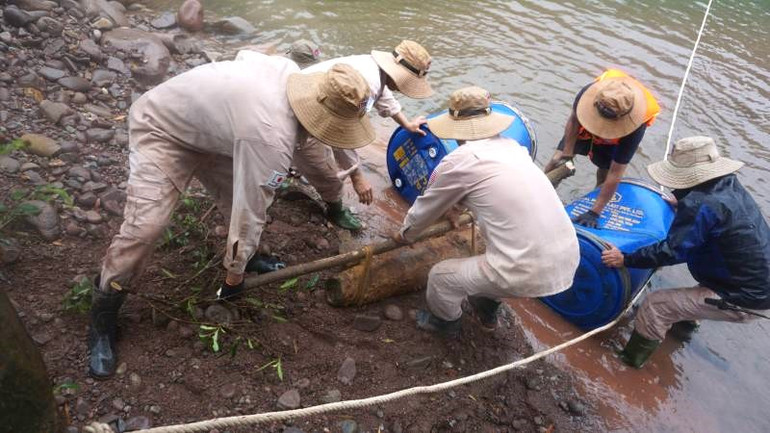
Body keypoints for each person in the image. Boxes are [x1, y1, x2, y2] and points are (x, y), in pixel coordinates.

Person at [88, 54, 374, 379]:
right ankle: (102, 315)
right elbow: (250, 212)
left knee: (238, 195)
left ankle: (244, 257)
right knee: (144, 230)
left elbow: (244, 56)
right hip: (162, 129)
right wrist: (233, 278)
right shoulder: (270, 139)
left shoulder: (291, 72)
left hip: (216, 133)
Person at [392, 86, 580, 336]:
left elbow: (425, 209)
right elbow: (488, 190)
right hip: (568, 257)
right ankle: (487, 310)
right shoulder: (514, 148)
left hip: (524, 269)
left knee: (440, 277)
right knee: (493, 255)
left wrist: (405, 234)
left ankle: (446, 324)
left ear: (455, 128)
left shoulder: (460, 160)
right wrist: (454, 207)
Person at [602, 136, 770, 368]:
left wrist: (625, 258)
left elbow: (671, 251)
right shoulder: (729, 184)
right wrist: (682, 203)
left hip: (742, 297)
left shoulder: (702, 205)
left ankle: (629, 363)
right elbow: (713, 215)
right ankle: (684, 329)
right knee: (691, 296)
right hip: (755, 282)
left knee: (655, 306)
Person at [290, 40, 433, 230]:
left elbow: (384, 96)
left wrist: (407, 124)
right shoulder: (367, 84)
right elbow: (340, 132)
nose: (402, 88)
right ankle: (335, 210)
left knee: (306, 157)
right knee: (328, 175)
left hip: (308, 97)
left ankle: (290, 169)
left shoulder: (371, 67)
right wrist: (357, 176)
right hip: (302, 113)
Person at [543, 69, 660, 228]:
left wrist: (595, 212)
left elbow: (616, 171)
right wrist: (567, 153)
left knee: (605, 171)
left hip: (613, 140)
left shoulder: (635, 126)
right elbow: (574, 120)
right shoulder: (588, 94)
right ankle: (540, 188)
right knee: (556, 160)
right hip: (585, 127)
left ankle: (594, 199)